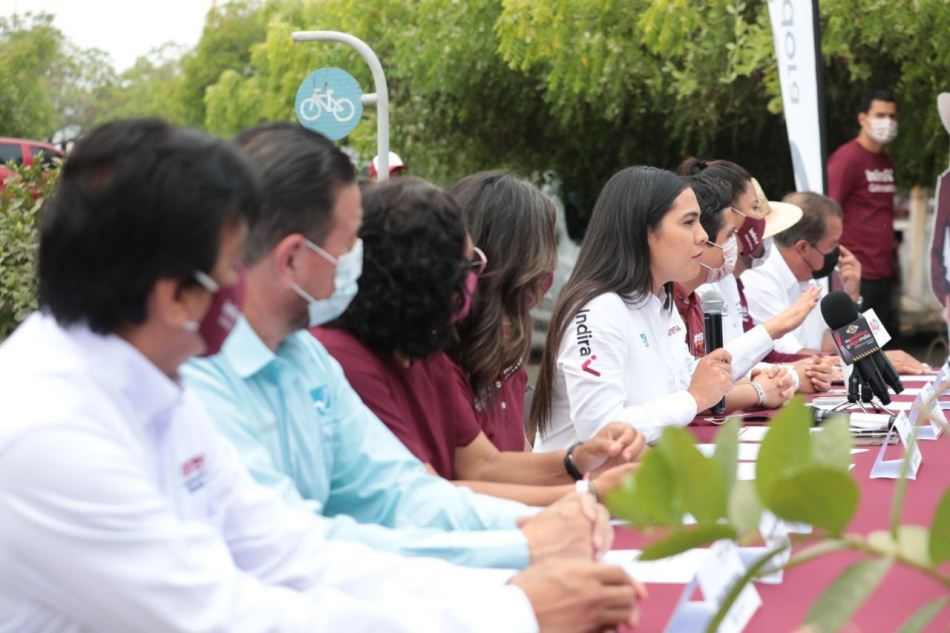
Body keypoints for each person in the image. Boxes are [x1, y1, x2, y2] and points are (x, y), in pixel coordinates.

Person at [0, 118, 647, 632]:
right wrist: (510, 608)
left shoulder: (156, 383)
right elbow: (230, 613)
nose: (240, 289)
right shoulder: (50, 432)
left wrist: (518, 557)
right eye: (230, 269)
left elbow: (289, 545)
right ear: (174, 295)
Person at [181, 122, 619, 570]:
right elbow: (289, 544)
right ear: (292, 258)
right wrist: (530, 540)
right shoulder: (200, 379)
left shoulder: (305, 358)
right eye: (349, 243)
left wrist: (536, 525)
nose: (361, 261)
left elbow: (399, 492)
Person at [315, 176, 644, 507]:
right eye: (468, 266)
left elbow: (483, 464)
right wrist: (586, 492)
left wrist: (578, 460)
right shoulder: (346, 359)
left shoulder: (428, 356)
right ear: (420, 274)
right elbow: (425, 494)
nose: (470, 281)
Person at [531, 166, 794, 452]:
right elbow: (600, 431)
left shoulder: (659, 301)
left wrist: (752, 375)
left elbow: (687, 378)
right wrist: (694, 399)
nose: (702, 235)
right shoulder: (598, 310)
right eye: (689, 222)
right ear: (644, 231)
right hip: (589, 479)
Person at [741, 191, 926, 374]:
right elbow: (790, 356)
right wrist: (873, 359)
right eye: (833, 245)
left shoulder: (807, 277)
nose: (838, 253)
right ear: (803, 248)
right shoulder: (759, 280)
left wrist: (851, 299)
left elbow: (828, 344)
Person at [672, 175, 824, 392]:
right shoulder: (675, 299)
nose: (735, 245)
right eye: (730, 234)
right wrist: (763, 390)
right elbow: (693, 386)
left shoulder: (693, 299)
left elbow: (702, 374)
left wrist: (781, 376)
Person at [448, 170, 557, 451]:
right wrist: (574, 465)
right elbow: (478, 468)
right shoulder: (441, 360)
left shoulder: (506, 353)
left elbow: (521, 456)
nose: (540, 291)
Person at [828, 89, 900, 340]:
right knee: (859, 345)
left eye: (891, 116)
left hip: (883, 272)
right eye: (880, 115)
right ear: (862, 118)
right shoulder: (847, 158)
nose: (887, 122)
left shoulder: (886, 162)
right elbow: (830, 209)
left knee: (881, 346)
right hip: (856, 274)